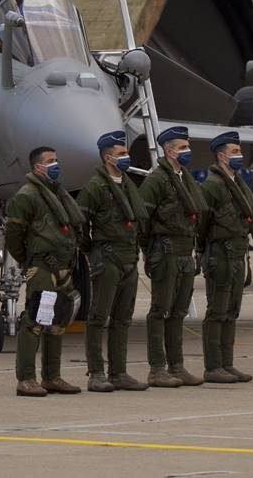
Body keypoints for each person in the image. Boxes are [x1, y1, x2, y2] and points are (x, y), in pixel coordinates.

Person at [6, 146, 84, 396]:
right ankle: (26, 378)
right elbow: (13, 235)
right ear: (37, 166)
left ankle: (52, 376)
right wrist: (29, 261)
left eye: (56, 160)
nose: (55, 164)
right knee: (35, 321)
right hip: (42, 268)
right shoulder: (26, 196)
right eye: (50, 161)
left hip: (63, 267)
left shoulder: (58, 193)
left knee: (58, 322)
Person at [76, 131, 150, 392]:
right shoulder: (95, 187)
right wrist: (93, 251)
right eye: (121, 153)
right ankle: (96, 373)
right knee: (98, 316)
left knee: (123, 318)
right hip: (107, 258)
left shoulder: (128, 185)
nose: (126, 157)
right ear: (108, 157)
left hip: (129, 257)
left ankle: (119, 372)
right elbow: (80, 225)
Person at [138, 125, 207, 388]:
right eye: (182, 147)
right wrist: (150, 252)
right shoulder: (156, 180)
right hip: (165, 251)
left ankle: (176, 366)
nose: (187, 151)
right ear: (169, 151)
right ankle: (157, 369)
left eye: (187, 146)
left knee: (178, 311)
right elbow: (143, 219)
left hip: (184, 251)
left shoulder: (184, 178)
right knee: (160, 310)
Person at [197, 131, 253, 383]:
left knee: (232, 310)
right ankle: (213, 366)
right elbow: (202, 222)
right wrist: (203, 250)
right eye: (234, 152)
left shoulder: (238, 183)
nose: (239, 156)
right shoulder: (212, 185)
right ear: (221, 156)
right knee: (217, 310)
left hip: (237, 253)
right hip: (220, 253)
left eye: (239, 151)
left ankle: (227, 363)